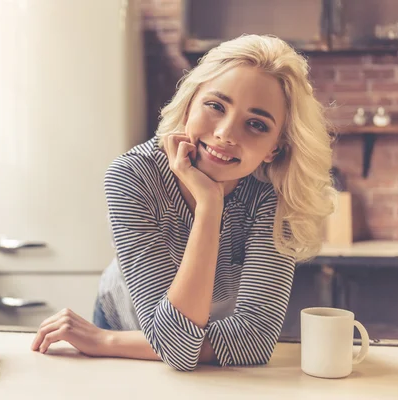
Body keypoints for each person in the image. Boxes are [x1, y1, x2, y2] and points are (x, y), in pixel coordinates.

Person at [31, 34, 336, 371]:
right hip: (126, 325)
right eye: (216, 106)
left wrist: (104, 341)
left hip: (122, 342)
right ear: (190, 102)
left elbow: (253, 340)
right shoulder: (133, 176)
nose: (225, 133)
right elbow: (177, 345)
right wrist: (210, 210)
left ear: (274, 148)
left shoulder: (275, 194)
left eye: (256, 124)